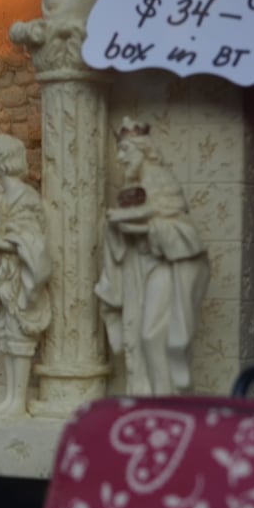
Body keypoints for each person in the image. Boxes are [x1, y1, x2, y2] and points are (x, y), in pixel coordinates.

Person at [94, 121, 210, 395]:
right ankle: (149, 392)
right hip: (141, 266)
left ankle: (164, 395)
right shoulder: (133, 185)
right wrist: (119, 226)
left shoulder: (158, 178)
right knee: (140, 334)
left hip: (165, 265)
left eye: (125, 151)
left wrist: (127, 220)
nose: (121, 158)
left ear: (143, 150)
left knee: (152, 333)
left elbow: (166, 217)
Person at [0, 134, 51, 415]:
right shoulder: (0, 199)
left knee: (19, 334)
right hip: (1, 274)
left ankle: (18, 401)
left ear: (3, 161)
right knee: (5, 334)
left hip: (19, 274)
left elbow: (31, 239)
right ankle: (9, 398)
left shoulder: (25, 198)